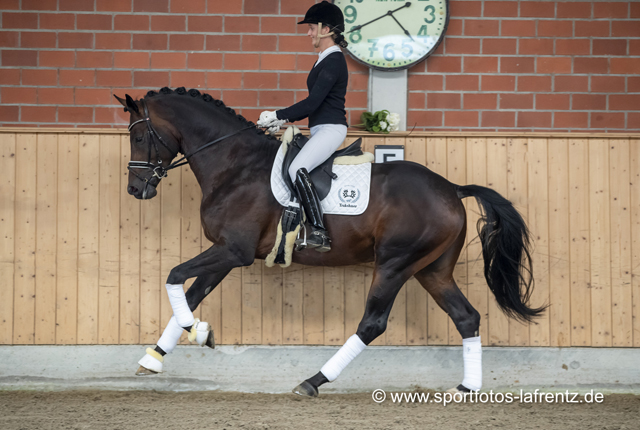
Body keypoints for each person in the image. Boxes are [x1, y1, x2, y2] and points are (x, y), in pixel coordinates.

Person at [257, 1, 349, 253]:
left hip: (331, 128)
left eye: (311, 28)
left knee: (298, 168)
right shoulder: (324, 58)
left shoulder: (333, 61)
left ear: (327, 29)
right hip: (320, 128)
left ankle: (319, 230)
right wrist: (279, 119)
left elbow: (313, 102)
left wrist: (278, 115)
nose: (308, 33)